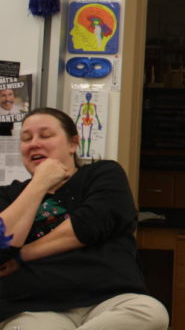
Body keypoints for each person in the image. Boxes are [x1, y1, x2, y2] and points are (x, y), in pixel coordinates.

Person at [0, 108, 168, 330]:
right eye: (26, 138)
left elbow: (88, 226)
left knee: (152, 314)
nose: (34, 143)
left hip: (110, 301)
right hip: (33, 307)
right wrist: (39, 184)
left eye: (46, 135)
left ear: (73, 143)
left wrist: (21, 255)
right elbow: (2, 244)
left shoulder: (103, 174)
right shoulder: (7, 196)